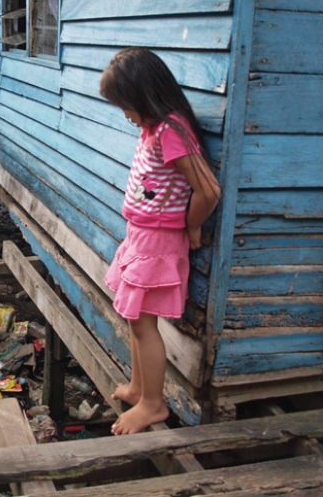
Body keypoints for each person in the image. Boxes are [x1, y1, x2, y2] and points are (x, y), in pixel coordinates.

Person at [99, 47, 220, 435]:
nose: (125, 115)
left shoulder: (172, 131)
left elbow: (209, 191)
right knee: (134, 318)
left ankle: (153, 403)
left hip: (158, 241)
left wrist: (191, 226)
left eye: (126, 106)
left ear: (145, 95)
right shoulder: (156, 128)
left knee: (143, 323)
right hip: (141, 235)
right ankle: (139, 387)